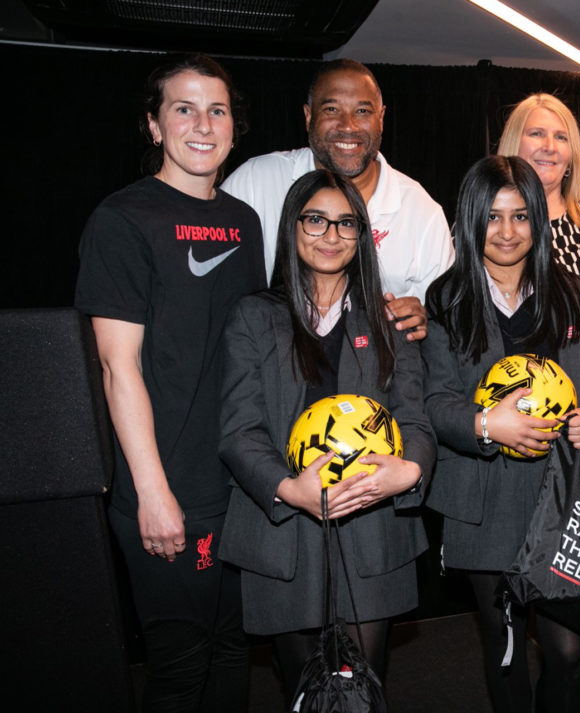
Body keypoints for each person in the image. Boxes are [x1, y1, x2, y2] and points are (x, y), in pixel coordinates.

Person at [74, 53, 265, 712]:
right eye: (183, 108)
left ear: (236, 127)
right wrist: (152, 493)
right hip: (167, 492)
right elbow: (116, 365)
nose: (202, 124)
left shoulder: (244, 223)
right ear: (154, 125)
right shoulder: (123, 219)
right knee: (181, 667)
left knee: (236, 650)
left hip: (240, 486)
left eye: (217, 109)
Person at [217, 170, 434, 700]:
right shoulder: (253, 316)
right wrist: (288, 488)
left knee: (361, 692)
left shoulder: (386, 321)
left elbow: (416, 422)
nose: (330, 235)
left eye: (346, 224)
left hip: (372, 527)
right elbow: (238, 430)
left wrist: (410, 471)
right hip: (284, 534)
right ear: (292, 227)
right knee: (304, 693)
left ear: (362, 237)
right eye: (316, 219)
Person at [422, 155, 580, 713]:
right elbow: (434, 402)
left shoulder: (577, 292)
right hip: (483, 498)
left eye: (521, 216)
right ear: (470, 219)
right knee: (505, 649)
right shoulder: (444, 301)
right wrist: (487, 424)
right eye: (493, 217)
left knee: (568, 651)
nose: (507, 233)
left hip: (564, 498)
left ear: (539, 221)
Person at [222, 58, 453, 341]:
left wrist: (424, 319)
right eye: (332, 109)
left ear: (381, 118)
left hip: (371, 380)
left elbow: (444, 323)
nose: (348, 125)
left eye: (363, 111)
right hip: (270, 372)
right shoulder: (255, 182)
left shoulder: (422, 213)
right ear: (308, 116)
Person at [497, 93, 580, 284]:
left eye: (561, 137)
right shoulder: (481, 220)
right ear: (514, 143)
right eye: (537, 134)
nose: (550, 147)